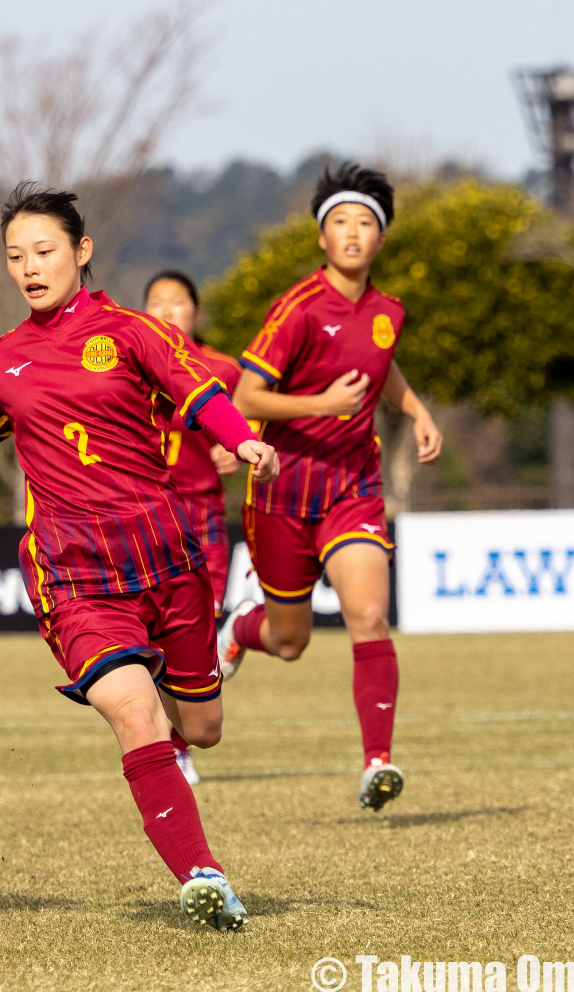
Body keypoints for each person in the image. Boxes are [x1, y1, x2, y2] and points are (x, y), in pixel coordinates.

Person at [0, 182, 280, 931]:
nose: (29, 266)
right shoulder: (1, 360)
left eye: (44, 251)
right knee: (133, 709)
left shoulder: (134, 331)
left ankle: (221, 646)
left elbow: (198, 391)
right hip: (73, 571)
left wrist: (237, 437)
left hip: (166, 558)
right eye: (15, 256)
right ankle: (203, 874)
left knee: (203, 727)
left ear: (81, 252)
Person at [220, 162, 442, 812]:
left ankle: (378, 761)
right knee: (290, 642)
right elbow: (246, 394)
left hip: (353, 489)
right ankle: (239, 632)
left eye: (365, 223)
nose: (352, 232)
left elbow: (380, 366)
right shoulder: (297, 309)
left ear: (380, 239)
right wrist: (319, 406)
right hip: (283, 493)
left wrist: (416, 409)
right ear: (323, 237)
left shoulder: (387, 313)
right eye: (340, 221)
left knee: (369, 615)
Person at [142, 270, 244, 786]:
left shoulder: (224, 369)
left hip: (201, 517)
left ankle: (179, 746)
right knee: (154, 642)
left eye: (177, 302)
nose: (165, 311)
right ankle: (170, 745)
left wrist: (237, 446)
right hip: (144, 520)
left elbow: (252, 421)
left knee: (194, 637)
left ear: (196, 313)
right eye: (155, 303)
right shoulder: (130, 363)